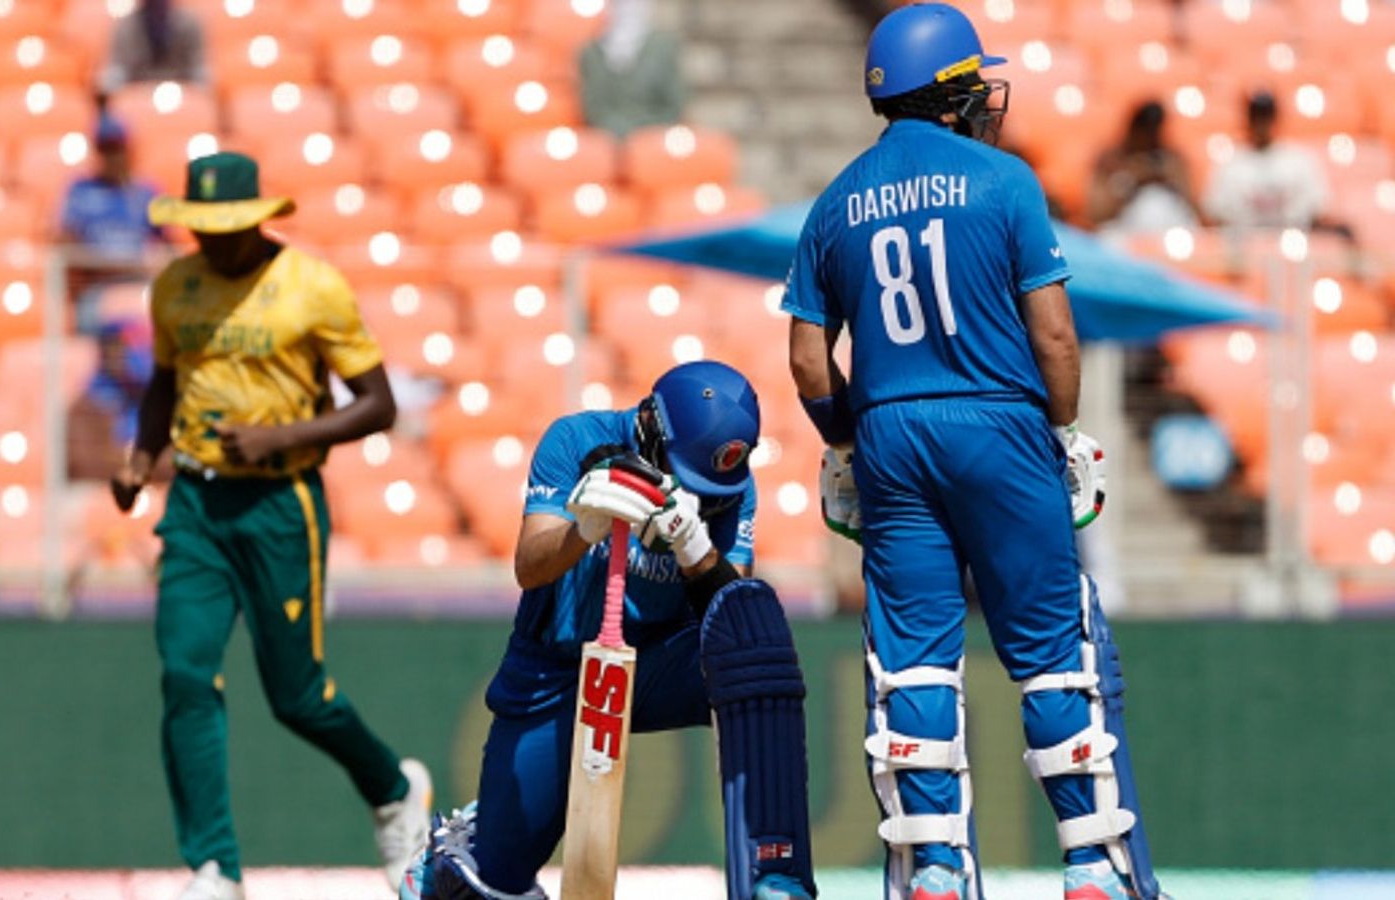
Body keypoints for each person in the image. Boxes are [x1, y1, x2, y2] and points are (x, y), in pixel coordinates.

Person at [782, 6, 1166, 900]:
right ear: (951, 89)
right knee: (1047, 649)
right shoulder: (1004, 180)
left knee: (915, 656)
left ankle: (936, 869)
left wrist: (843, 438)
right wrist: (1063, 430)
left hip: (888, 434)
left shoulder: (835, 199)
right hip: (998, 424)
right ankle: (1090, 864)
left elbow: (806, 358)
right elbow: (1057, 337)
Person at [109, 152, 431, 900]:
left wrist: (277, 438)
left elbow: (378, 404)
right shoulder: (174, 287)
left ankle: (391, 790)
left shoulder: (312, 287)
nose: (218, 242)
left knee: (298, 697)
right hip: (194, 505)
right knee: (186, 673)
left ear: (260, 218)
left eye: (231, 228)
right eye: (205, 229)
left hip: (280, 504)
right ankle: (215, 868)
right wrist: (140, 457)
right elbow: (163, 381)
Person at [400, 361, 817, 900]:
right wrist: (584, 528)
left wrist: (694, 546)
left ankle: (773, 870)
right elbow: (530, 566)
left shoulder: (730, 487)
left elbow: (729, 609)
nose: (704, 496)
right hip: (557, 666)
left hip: (660, 663)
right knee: (491, 884)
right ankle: (467, 841)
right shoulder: (577, 440)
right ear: (648, 423)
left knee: (756, 651)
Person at [57, 116, 165, 330]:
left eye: (116, 149)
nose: (112, 157)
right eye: (105, 150)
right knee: (90, 319)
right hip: (97, 289)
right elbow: (66, 243)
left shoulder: (146, 193)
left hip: (140, 285)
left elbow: (166, 249)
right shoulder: (81, 191)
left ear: (128, 150)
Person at [1204, 90, 1336, 234]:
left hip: (1293, 247)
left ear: (1275, 118)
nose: (1261, 123)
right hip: (1246, 249)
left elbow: (1316, 211)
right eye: (1256, 117)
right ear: (1247, 120)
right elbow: (1216, 216)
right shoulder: (1229, 164)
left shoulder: (1300, 160)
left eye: (1266, 117)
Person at [1086, 100, 1200, 236]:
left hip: (1169, 233)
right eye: (1145, 131)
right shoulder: (1111, 161)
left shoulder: (1171, 161)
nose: (1149, 138)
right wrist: (1131, 180)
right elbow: (1097, 214)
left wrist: (1168, 179)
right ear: (1134, 129)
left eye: (1154, 131)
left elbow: (1194, 210)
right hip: (1123, 234)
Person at [576, 0, 685, 137]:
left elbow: (674, 106)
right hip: (607, 140)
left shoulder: (664, 47)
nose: (627, 8)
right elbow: (593, 109)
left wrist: (642, 132)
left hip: (654, 139)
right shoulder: (591, 52)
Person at [66, 317, 153, 481]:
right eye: (112, 347)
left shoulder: (159, 401)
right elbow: (83, 464)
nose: (119, 356)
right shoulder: (85, 407)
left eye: (129, 348)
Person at [97, 0, 208, 94]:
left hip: (182, 94)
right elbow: (116, 70)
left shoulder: (189, 24)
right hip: (138, 96)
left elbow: (200, 71)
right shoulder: (126, 26)